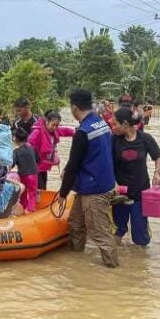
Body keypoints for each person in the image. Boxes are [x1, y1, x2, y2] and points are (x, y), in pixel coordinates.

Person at [56, 89, 119, 268]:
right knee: (75, 224)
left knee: (100, 234)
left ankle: (114, 272)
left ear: (74, 108)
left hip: (95, 190)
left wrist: (62, 193)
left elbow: (74, 165)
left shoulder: (82, 133)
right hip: (97, 183)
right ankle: (77, 263)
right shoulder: (102, 123)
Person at [112, 108, 160, 246]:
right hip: (119, 195)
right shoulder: (113, 141)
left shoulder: (145, 139)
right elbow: (105, 164)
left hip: (140, 194)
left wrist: (157, 172)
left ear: (125, 124)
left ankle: (140, 265)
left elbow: (158, 156)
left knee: (140, 237)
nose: (113, 127)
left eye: (115, 124)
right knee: (117, 230)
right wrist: (112, 183)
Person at [28, 109, 75, 190]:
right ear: (46, 121)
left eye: (57, 125)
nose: (55, 128)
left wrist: (78, 131)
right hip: (35, 167)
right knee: (39, 190)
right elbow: (29, 144)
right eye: (53, 125)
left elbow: (65, 130)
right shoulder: (38, 131)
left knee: (43, 188)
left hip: (43, 167)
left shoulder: (54, 130)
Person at [11, 128, 39, 213]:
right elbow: (38, 159)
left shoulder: (16, 152)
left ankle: (23, 208)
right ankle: (31, 211)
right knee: (32, 194)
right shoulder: (32, 148)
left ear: (16, 139)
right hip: (33, 174)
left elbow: (12, 165)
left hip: (23, 175)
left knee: (23, 193)